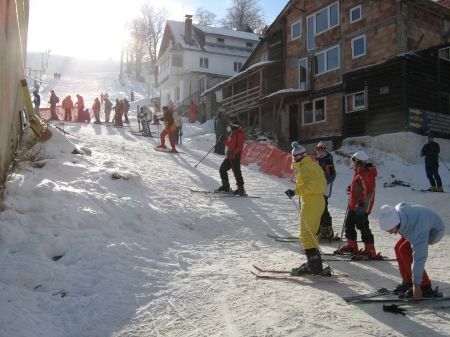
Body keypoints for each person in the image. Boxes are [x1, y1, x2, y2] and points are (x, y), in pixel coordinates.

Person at [378, 203, 445, 298]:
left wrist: (417, 284)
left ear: (396, 223)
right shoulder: (398, 214)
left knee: (405, 250)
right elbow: (405, 205)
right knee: (398, 248)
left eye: (390, 230)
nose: (389, 233)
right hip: (420, 223)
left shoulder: (417, 230)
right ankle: (408, 282)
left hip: (434, 231)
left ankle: (424, 286)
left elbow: (420, 257)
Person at [285, 142, 328, 276]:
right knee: (310, 233)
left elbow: (310, 185)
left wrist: (295, 191)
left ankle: (314, 266)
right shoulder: (312, 165)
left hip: (311, 202)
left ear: (297, 157)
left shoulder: (305, 168)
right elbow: (319, 182)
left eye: (293, 157)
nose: (293, 160)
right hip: (317, 200)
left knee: (305, 234)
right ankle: (314, 263)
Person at [335, 150, 379, 259]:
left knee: (362, 225)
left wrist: (361, 206)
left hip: (362, 207)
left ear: (359, 163)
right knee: (349, 224)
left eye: (353, 162)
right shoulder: (359, 172)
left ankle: (370, 249)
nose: (352, 164)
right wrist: (352, 187)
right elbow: (359, 185)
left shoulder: (366, 173)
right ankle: (351, 246)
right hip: (354, 205)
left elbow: (368, 191)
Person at [216, 120, 246, 196]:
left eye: (231, 125)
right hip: (230, 156)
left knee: (237, 173)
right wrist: (223, 140)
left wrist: (233, 152)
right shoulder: (233, 133)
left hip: (235, 156)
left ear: (234, 127)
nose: (230, 127)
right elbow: (230, 144)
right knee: (222, 169)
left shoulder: (240, 134)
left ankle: (241, 190)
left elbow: (239, 147)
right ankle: (226, 186)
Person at [315, 141, 336, 240]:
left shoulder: (328, 161)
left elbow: (332, 175)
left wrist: (323, 182)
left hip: (324, 189)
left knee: (323, 210)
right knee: (318, 210)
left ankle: (328, 232)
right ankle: (319, 230)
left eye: (322, 149)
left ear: (325, 149)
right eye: (318, 149)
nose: (320, 151)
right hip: (317, 189)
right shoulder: (317, 160)